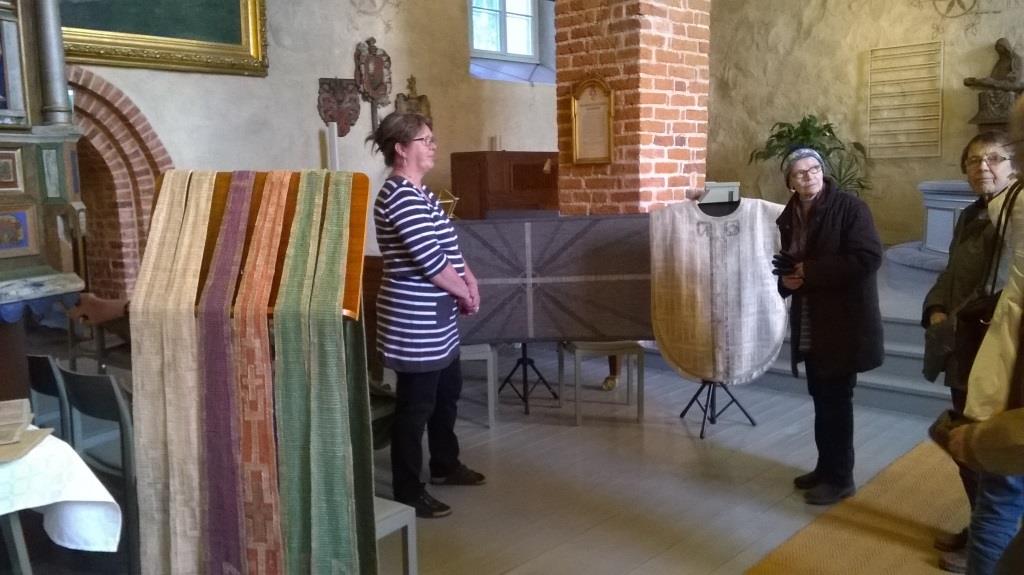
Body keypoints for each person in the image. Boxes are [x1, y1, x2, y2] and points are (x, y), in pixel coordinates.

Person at [367, 112, 486, 519]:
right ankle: (407, 488)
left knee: (447, 392)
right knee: (415, 406)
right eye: (425, 140)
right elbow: (430, 261)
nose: (434, 146)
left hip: (439, 318)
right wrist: (465, 294)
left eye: (433, 139)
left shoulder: (422, 193)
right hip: (414, 320)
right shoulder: (398, 196)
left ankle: (444, 464)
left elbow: (450, 247)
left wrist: (470, 280)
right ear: (401, 149)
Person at [921, 131, 1016, 573]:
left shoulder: (1013, 217)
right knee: (963, 440)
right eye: (974, 160)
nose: (983, 167)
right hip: (962, 341)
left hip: (993, 343)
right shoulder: (970, 214)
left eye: (994, 158)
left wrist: (958, 315)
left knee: (988, 447)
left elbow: (1003, 286)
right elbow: (951, 271)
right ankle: (980, 523)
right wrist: (936, 307)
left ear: (1013, 166)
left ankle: (993, 538)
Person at [773, 147, 884, 506]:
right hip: (810, 317)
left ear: (823, 171)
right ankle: (825, 468)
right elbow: (789, 264)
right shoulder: (790, 215)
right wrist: (787, 282)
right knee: (821, 398)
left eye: (814, 169)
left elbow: (868, 257)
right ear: (790, 182)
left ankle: (841, 479)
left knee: (836, 400)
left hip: (843, 321)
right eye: (800, 172)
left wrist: (809, 271)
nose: (809, 176)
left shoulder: (850, 208)